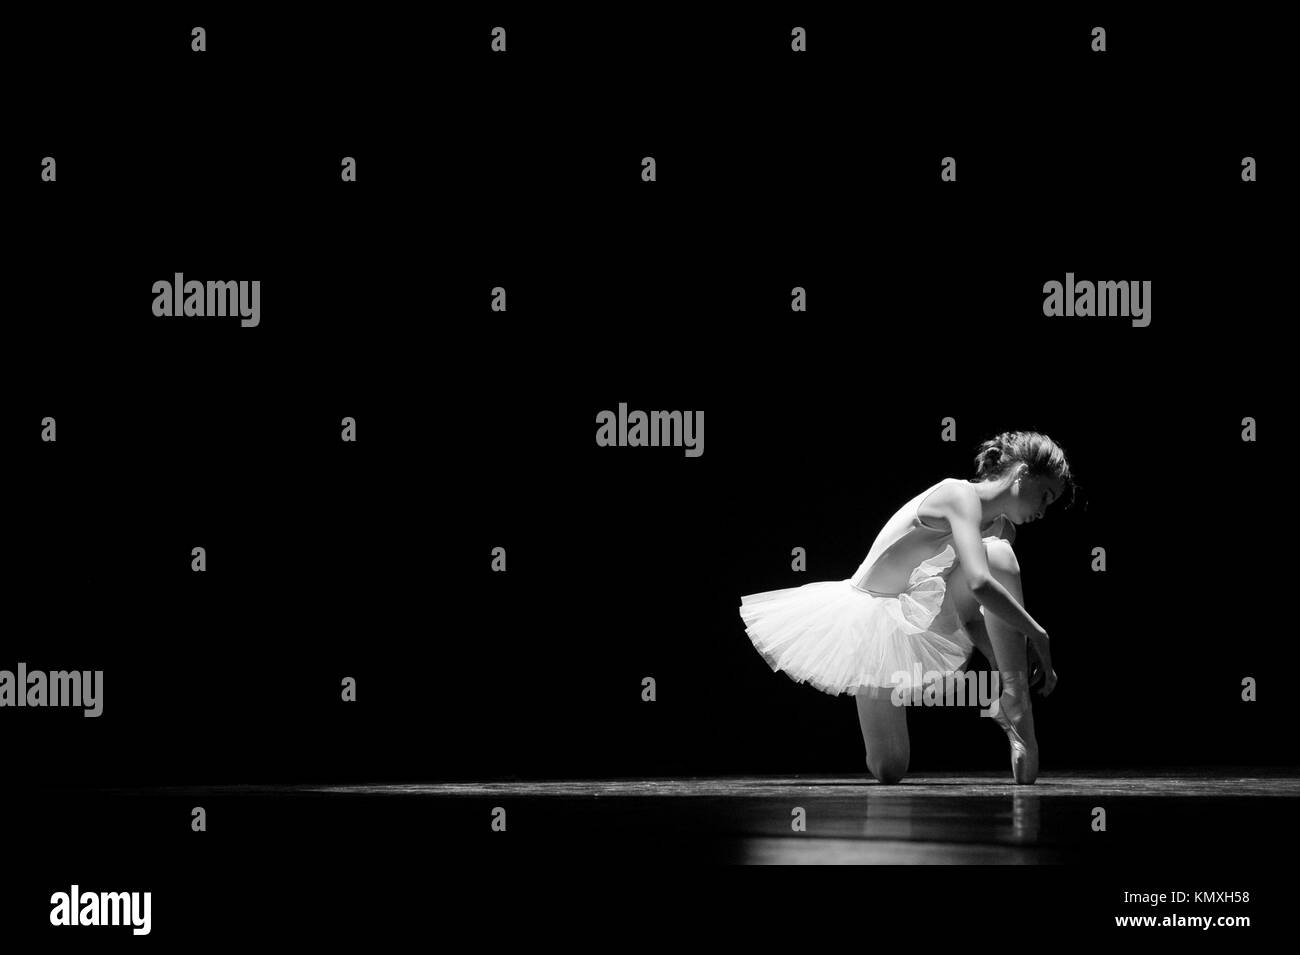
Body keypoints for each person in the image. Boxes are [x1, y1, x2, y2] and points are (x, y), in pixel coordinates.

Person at [738, 431, 1073, 785]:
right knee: (889, 767)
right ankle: (1007, 698)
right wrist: (1038, 634)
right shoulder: (958, 495)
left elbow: (975, 611)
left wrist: (1003, 662)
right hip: (870, 620)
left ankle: (1016, 705)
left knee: (1001, 556)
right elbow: (977, 583)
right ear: (1022, 473)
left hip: (920, 612)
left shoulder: (1000, 529)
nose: (1043, 510)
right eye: (1045, 496)